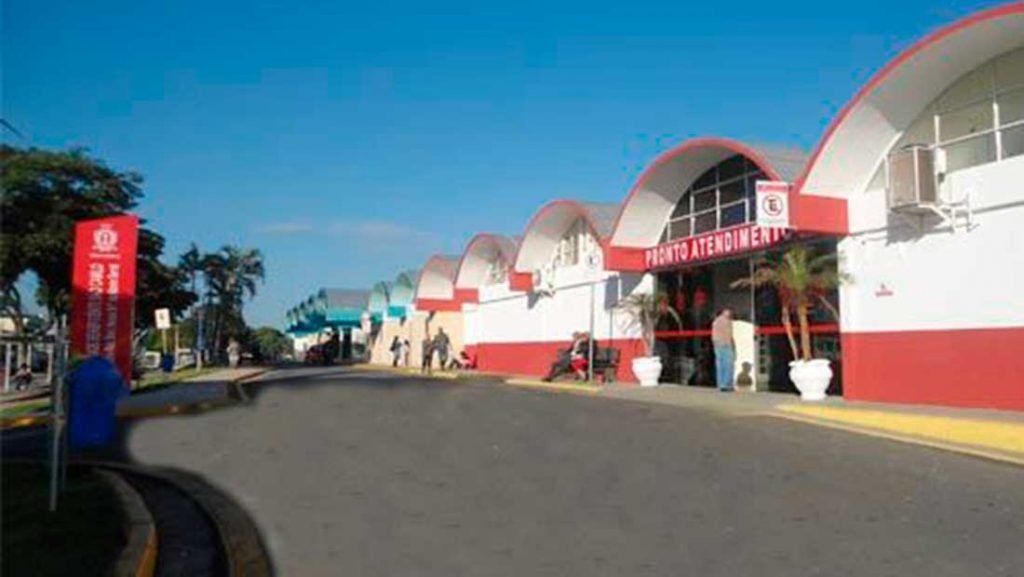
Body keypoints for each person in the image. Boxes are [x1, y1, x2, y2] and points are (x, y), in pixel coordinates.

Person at [711, 308, 735, 392]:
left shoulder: (715, 321)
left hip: (717, 345)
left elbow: (713, 335)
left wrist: (715, 343)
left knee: (720, 365)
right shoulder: (728, 321)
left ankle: (720, 384)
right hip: (726, 344)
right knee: (728, 365)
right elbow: (729, 335)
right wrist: (732, 346)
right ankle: (726, 384)